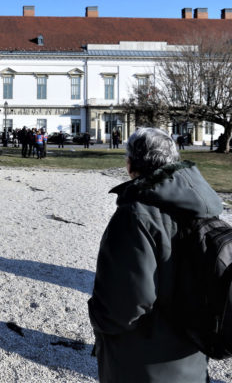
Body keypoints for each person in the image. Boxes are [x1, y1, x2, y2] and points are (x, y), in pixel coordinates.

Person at [89, 127, 221, 382]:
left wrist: (98, 317)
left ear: (129, 164)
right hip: (191, 352)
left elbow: (124, 305)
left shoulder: (136, 215)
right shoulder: (202, 205)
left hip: (145, 359)